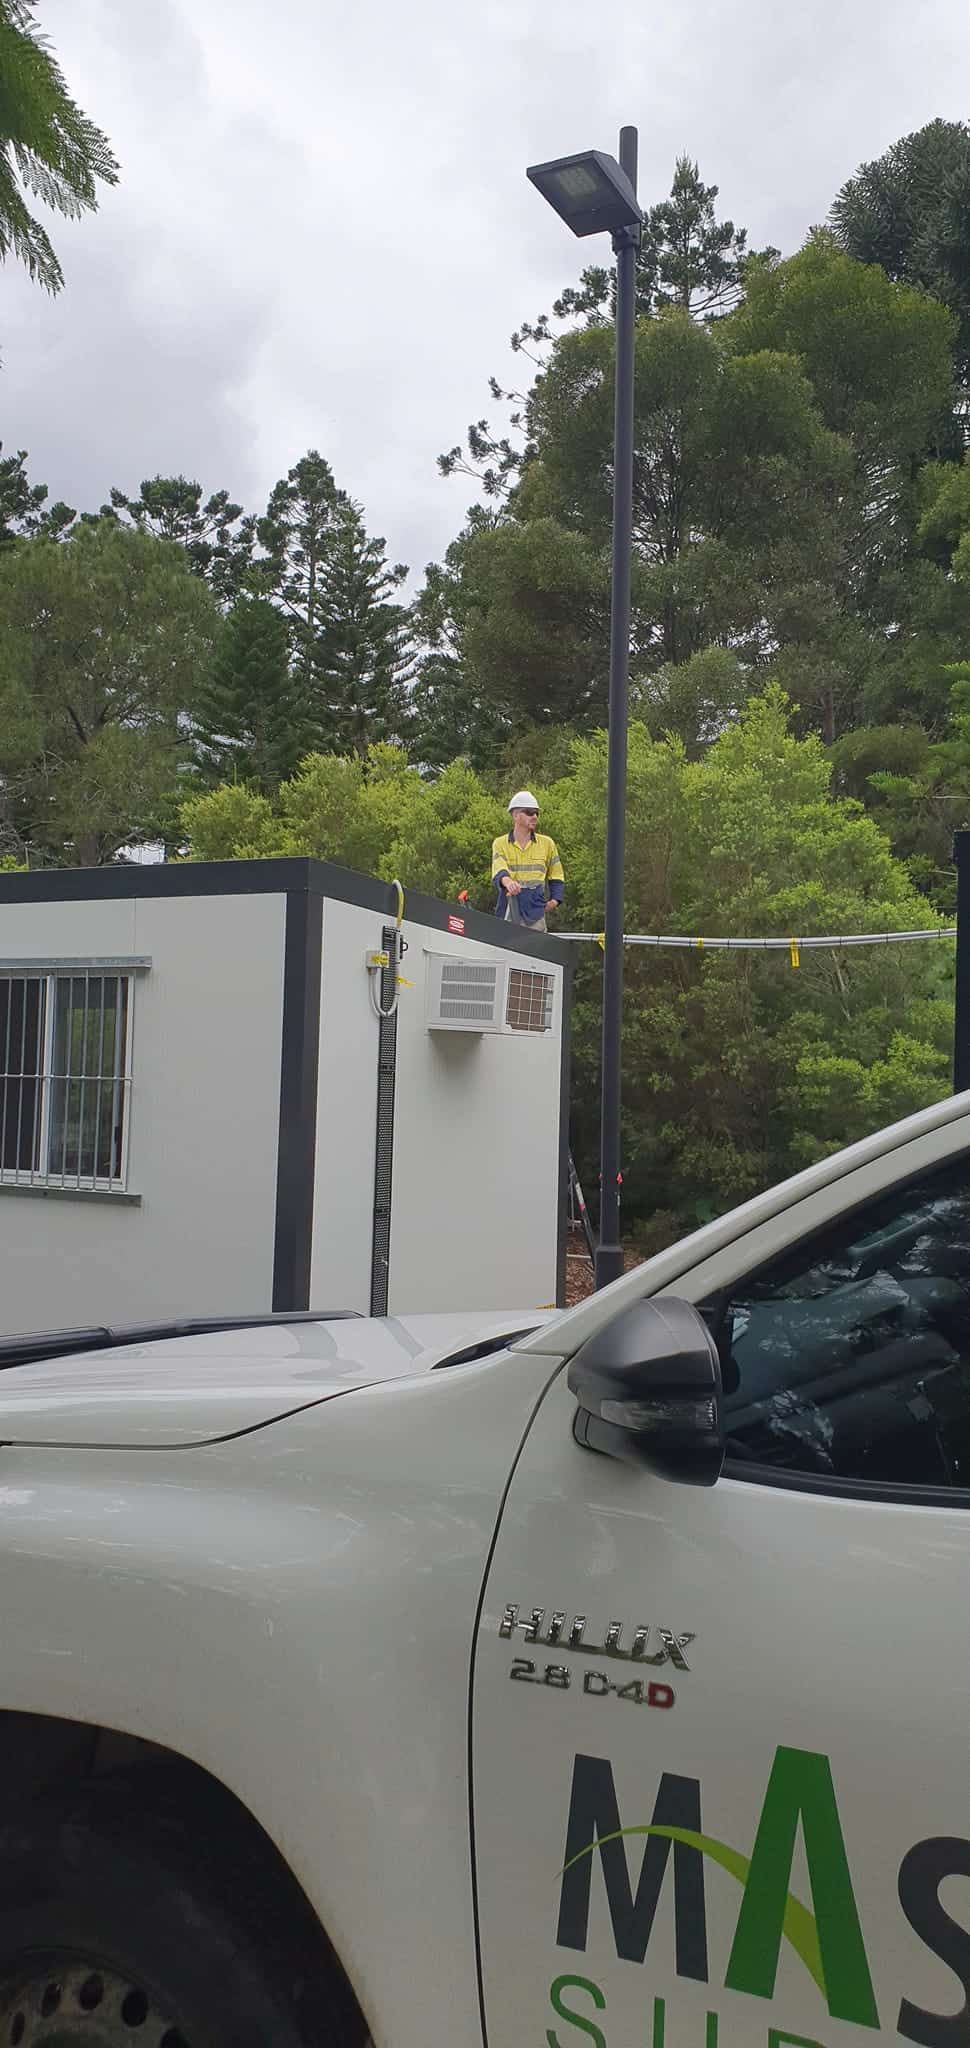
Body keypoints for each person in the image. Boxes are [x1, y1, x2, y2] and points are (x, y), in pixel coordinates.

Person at [491, 791, 564, 932]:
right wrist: (509, 883)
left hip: (535, 914)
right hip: (508, 909)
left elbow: (557, 875)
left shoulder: (547, 843)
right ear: (515, 815)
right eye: (529, 812)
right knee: (505, 949)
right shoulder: (500, 843)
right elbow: (499, 870)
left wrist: (554, 901)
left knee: (534, 951)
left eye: (537, 813)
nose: (535, 816)